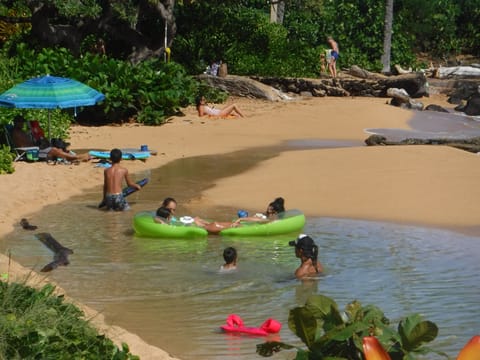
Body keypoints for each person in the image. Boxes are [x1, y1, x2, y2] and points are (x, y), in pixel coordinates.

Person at [11, 115, 89, 162]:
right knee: (54, 150)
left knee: (57, 150)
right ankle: (75, 158)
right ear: (16, 122)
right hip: (30, 153)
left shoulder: (20, 131)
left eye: (22, 122)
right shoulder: (16, 133)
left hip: (34, 149)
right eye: (20, 122)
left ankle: (74, 157)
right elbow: (23, 146)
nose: (22, 124)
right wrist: (37, 146)